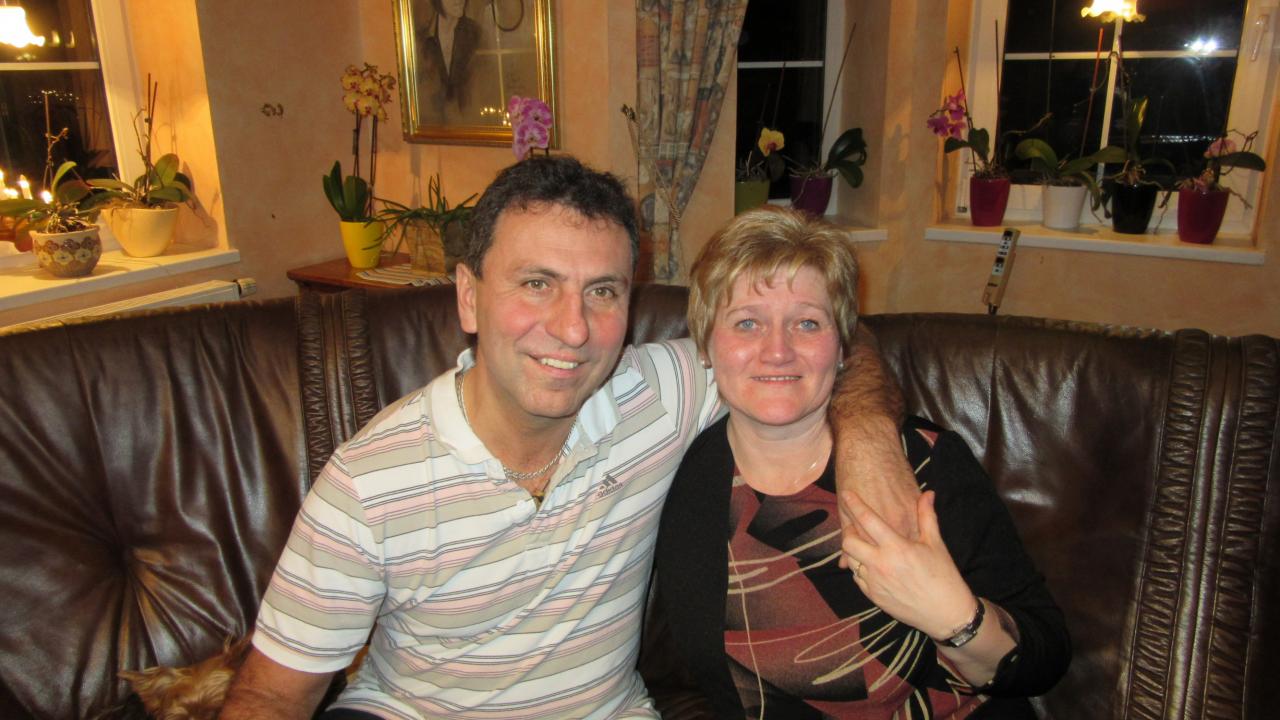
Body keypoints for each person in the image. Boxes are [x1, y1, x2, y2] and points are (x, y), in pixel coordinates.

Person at [219, 157, 916, 719]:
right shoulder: (370, 481)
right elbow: (272, 696)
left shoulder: (658, 395)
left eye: (602, 291)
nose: (573, 328)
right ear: (469, 296)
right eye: (537, 283)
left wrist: (869, 441)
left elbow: (833, 346)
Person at [654, 206, 1070, 718]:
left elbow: (1045, 655)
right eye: (747, 323)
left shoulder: (922, 462)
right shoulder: (677, 480)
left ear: (843, 347)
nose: (778, 350)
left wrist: (953, 616)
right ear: (705, 345)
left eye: (807, 323)